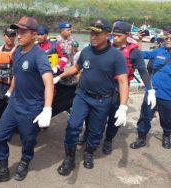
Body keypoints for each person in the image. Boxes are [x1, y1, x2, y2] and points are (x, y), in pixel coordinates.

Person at [0, 16, 54, 185]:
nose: (18, 35)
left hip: (31, 107)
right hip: (14, 104)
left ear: (34, 34)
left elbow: (49, 81)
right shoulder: (16, 52)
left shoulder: (39, 56)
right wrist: (9, 91)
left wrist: (47, 109)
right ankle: (2, 171)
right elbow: (16, 75)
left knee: (28, 140)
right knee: (0, 136)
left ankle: (24, 161)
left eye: (23, 32)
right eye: (17, 32)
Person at [55, 18, 129, 176]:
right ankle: (69, 158)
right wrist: (59, 77)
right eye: (91, 33)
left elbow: (123, 81)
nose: (92, 36)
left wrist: (123, 106)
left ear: (107, 35)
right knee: (73, 125)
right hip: (82, 96)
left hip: (103, 100)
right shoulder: (87, 51)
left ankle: (89, 152)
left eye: (97, 33)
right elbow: (76, 67)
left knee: (95, 132)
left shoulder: (116, 56)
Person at [78, 21, 156, 154]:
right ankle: (87, 135)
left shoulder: (134, 52)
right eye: (114, 35)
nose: (115, 38)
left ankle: (108, 139)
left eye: (119, 36)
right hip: (102, 87)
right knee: (92, 115)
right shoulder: (105, 47)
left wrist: (150, 89)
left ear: (127, 36)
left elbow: (142, 71)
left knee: (115, 117)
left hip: (119, 89)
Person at [130, 28, 171, 150]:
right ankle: (141, 138)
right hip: (152, 91)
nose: (168, 40)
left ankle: (167, 135)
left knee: (167, 117)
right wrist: (139, 40)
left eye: (170, 38)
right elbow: (140, 55)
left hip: (168, 95)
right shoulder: (159, 51)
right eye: (168, 38)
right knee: (145, 115)